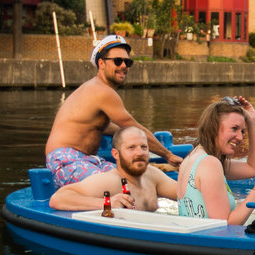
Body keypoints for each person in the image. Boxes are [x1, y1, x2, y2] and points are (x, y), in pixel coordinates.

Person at [44, 34, 182, 188]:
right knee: (120, 186)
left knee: (137, 181)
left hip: (88, 159)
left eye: (127, 62)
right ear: (101, 63)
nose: (124, 65)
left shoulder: (95, 88)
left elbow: (101, 126)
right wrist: (168, 155)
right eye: (117, 61)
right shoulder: (102, 91)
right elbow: (133, 129)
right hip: (66, 160)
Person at [177, 96, 255, 225]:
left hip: (192, 240)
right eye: (234, 128)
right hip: (208, 243)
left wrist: (253, 122)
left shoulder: (194, 156)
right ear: (214, 126)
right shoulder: (210, 164)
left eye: (242, 131)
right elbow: (225, 226)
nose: (240, 137)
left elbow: (254, 167)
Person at [48, 125, 181, 212]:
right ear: (115, 154)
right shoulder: (110, 182)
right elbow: (58, 198)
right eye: (131, 148)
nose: (139, 153)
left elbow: (184, 193)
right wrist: (107, 203)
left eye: (144, 147)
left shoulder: (152, 176)